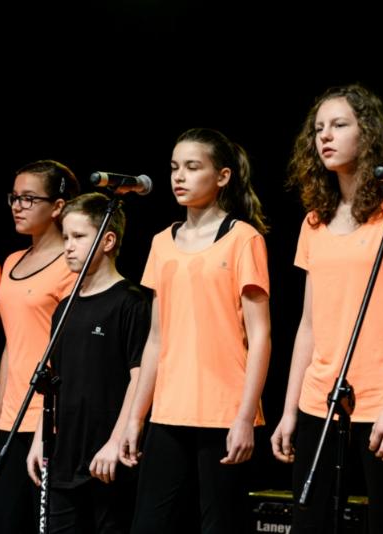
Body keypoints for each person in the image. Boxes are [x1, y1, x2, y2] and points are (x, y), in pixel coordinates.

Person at [269, 83, 383, 533]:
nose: (325, 136)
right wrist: (290, 409)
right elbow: (308, 325)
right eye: (319, 129)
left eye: (339, 125)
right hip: (320, 400)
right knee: (309, 522)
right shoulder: (314, 220)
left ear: (367, 135)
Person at [119, 127, 271, 534]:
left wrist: (245, 417)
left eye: (192, 167)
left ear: (222, 176)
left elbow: (260, 336)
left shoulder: (243, 239)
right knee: (150, 523)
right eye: (174, 168)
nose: (179, 177)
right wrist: (136, 417)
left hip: (223, 411)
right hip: (170, 410)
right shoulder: (161, 243)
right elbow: (156, 338)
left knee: (219, 523)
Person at [26, 192, 150, 532]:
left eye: (79, 237)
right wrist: (39, 440)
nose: (68, 246)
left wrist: (115, 441)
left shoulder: (131, 303)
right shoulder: (63, 308)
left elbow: (140, 378)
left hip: (106, 460)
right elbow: (53, 381)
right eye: (65, 237)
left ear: (108, 240)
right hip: (64, 457)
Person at [0, 160, 80, 533]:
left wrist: (44, 424)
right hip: (11, 417)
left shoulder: (70, 266)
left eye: (28, 198)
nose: (17, 206)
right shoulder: (11, 261)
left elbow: (68, 353)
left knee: (41, 523)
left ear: (57, 206)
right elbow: (13, 343)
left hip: (49, 417)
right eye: (14, 197)